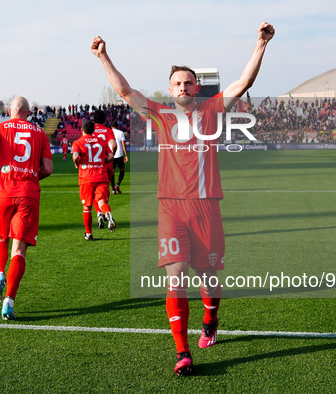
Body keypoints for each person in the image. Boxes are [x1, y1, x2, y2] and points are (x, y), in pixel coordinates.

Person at [91, 21, 275, 376]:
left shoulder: (212, 112)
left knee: (208, 278)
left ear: (197, 87)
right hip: (171, 209)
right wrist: (103, 56)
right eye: (177, 82)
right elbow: (126, 91)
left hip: (206, 207)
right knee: (176, 278)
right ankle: (182, 351)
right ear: (171, 89)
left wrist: (260, 44)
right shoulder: (159, 115)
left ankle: (211, 319)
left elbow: (243, 83)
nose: (183, 86)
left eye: (188, 82)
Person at [0, 96, 53, 320]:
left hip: (0, 191)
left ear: (10, 110)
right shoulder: (39, 132)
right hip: (27, 194)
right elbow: (48, 169)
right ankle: (9, 302)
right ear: (28, 113)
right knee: (19, 251)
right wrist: (32, 178)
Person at [72, 120, 115, 241]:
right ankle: (107, 214)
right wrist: (103, 162)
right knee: (101, 202)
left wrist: (77, 163)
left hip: (87, 177)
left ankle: (89, 234)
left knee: (87, 207)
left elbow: (75, 156)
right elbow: (111, 156)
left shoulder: (77, 142)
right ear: (94, 130)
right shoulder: (102, 141)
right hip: (101, 175)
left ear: (81, 130)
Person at [92, 110, 117, 229]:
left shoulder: (89, 130)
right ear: (105, 119)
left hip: (94, 165)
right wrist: (111, 156)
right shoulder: (108, 130)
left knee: (93, 193)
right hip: (106, 164)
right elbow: (114, 144)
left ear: (93, 119)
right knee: (104, 190)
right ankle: (105, 210)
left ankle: (99, 213)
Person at [110, 120, 128, 194]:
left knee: (112, 172)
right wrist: (126, 155)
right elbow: (123, 144)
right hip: (119, 154)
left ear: (111, 126)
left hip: (111, 155)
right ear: (118, 126)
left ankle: (113, 190)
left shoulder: (109, 132)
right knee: (122, 170)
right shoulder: (120, 133)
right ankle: (117, 185)